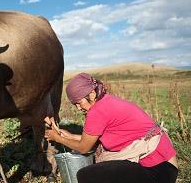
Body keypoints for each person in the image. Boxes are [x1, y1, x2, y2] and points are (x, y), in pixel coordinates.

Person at [44, 73, 178, 183]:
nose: (78, 108)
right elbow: (91, 138)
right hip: (166, 164)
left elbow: (85, 147)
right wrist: (68, 135)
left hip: (157, 171)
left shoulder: (97, 111)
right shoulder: (106, 101)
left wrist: (56, 138)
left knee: (86, 175)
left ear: (91, 94)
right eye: (75, 105)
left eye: (79, 103)